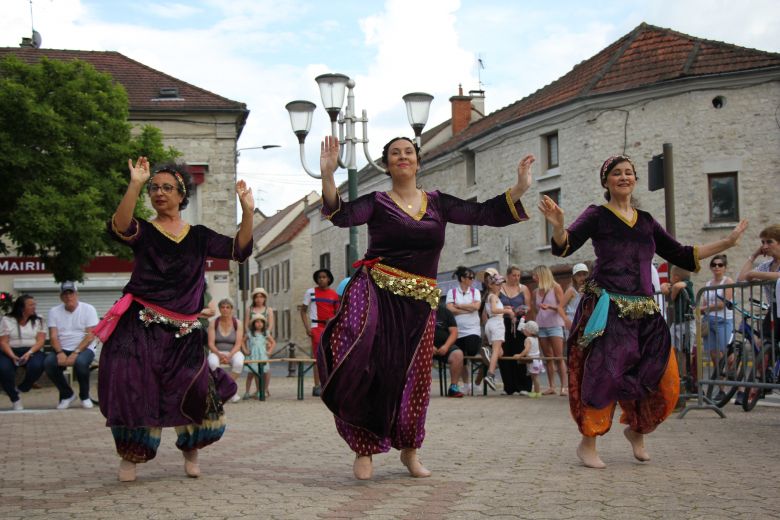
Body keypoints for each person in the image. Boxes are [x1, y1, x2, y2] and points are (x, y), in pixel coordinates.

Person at [316, 135, 533, 480]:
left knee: (415, 378)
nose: (402, 157)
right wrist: (328, 175)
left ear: (418, 161)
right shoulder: (375, 202)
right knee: (375, 367)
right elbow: (341, 215)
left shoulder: (439, 204)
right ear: (386, 164)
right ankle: (365, 448)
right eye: (394, 153)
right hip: (380, 296)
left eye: (408, 152)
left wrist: (519, 187)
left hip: (421, 305)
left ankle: (410, 451)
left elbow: (484, 213)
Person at [538, 154, 747, 468]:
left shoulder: (647, 220)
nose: (624, 177)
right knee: (604, 374)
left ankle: (637, 431)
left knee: (660, 373)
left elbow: (681, 253)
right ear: (606, 181)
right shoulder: (598, 215)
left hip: (645, 311)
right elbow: (566, 245)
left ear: (635, 179)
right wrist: (557, 227)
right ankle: (588, 443)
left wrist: (727, 243)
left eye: (629, 173)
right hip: (607, 308)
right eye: (617, 174)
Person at [96, 158, 254, 482]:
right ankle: (131, 455)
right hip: (140, 326)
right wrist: (134, 184)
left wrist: (248, 211)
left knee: (192, 388)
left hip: (184, 331)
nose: (159, 193)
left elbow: (239, 249)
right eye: (154, 188)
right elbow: (119, 226)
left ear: (182, 195)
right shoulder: (144, 230)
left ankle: (190, 451)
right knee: (134, 387)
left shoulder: (198, 236)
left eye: (167, 187)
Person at [44, 282, 99, 410]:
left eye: (71, 293)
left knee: (80, 363)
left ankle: (84, 396)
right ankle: (67, 394)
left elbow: (91, 335)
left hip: (85, 348)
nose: (68, 296)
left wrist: (76, 352)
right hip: (63, 349)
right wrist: (59, 352)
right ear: (61, 297)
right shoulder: (54, 311)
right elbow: (53, 335)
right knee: (48, 363)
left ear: (77, 295)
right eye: (65, 294)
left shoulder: (88, 309)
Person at [0, 295, 46, 410]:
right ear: (21, 308)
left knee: (37, 365)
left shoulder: (39, 319)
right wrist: (12, 356)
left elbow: (41, 340)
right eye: (31, 305)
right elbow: (3, 342)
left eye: (34, 304)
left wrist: (29, 353)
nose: (34, 307)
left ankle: (24, 387)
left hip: (32, 350)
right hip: (11, 350)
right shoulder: (7, 320)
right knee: (4, 368)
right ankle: (15, 399)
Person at [737, 224, 780, 345]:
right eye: (763, 242)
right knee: (762, 344)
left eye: (769, 242)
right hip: (775, 310)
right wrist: (754, 254)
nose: (765, 246)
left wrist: (755, 274)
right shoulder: (767, 265)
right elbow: (741, 279)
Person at [301, 269, 339, 397]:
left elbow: (337, 313)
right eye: (319, 277)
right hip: (316, 326)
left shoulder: (334, 295)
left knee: (331, 355)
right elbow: (303, 310)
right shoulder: (310, 292)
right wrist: (307, 327)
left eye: (324, 277)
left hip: (330, 327)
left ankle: (330, 384)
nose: (321, 279)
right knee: (317, 357)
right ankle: (317, 385)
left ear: (329, 279)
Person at [531, 265, 568, 396]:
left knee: (558, 356)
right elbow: (535, 311)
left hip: (555, 325)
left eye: (536, 275)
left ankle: (563, 387)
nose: (534, 278)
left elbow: (562, 307)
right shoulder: (536, 292)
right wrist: (534, 325)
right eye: (533, 275)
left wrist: (550, 306)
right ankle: (552, 386)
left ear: (543, 275)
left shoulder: (556, 287)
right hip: (541, 326)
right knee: (548, 357)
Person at [496, 264, 533, 396]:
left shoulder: (523, 288)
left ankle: (524, 385)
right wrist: (503, 307)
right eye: (514, 275)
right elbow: (493, 303)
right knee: (505, 352)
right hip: (503, 322)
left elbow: (529, 307)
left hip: (519, 323)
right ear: (507, 275)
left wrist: (524, 309)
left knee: (520, 352)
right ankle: (508, 386)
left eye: (518, 275)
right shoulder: (500, 288)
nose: (516, 278)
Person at [446, 266, 482, 394]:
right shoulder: (452, 292)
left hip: (472, 328)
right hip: (458, 329)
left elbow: (476, 306)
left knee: (471, 351)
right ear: (463, 278)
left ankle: (473, 381)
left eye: (473, 277)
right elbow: (450, 308)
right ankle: (466, 384)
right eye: (470, 277)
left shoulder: (475, 292)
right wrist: (468, 308)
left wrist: (460, 306)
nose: (472, 280)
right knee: (461, 357)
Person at [661, 266, 696, 379]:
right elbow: (664, 286)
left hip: (687, 323)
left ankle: (685, 374)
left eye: (671, 276)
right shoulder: (675, 284)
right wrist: (663, 287)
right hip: (676, 323)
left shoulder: (687, 284)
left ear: (676, 278)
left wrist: (672, 295)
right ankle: (676, 373)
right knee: (673, 349)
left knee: (685, 351)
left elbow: (677, 286)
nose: (669, 279)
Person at [482, 272, 515, 391]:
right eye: (497, 284)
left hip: (491, 324)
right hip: (496, 324)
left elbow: (490, 311)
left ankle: (489, 352)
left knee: (500, 351)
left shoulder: (489, 297)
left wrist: (503, 309)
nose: (499, 286)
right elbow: (495, 310)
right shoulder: (493, 296)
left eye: (500, 284)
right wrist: (508, 312)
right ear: (490, 285)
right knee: (497, 350)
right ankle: (490, 375)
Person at [207, 298, 245, 394]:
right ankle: (226, 391)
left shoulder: (238, 323)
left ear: (231, 309)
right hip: (217, 352)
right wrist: (219, 355)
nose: (225, 309)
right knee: (212, 363)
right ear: (219, 309)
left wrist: (230, 355)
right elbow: (211, 343)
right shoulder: (213, 323)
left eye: (227, 307)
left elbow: (238, 344)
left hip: (233, 352)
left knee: (239, 363)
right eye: (223, 307)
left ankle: (224, 388)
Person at [432, 299, 463, 397]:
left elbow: (454, 332)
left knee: (458, 354)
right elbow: (417, 333)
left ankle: (453, 387)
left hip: (444, 345)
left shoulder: (446, 312)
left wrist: (446, 346)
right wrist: (428, 346)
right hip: (426, 345)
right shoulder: (421, 312)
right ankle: (421, 389)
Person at [242, 314, 275, 399]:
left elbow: (273, 342)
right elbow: (242, 341)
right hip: (252, 356)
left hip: (261, 356)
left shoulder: (265, 333)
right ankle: (247, 392)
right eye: (257, 322)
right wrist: (245, 351)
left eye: (261, 322)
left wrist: (269, 351)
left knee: (259, 375)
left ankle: (259, 391)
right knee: (250, 375)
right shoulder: (250, 333)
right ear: (253, 324)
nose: (259, 324)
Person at [514, 321, 544, 398]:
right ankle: (536, 391)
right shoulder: (536, 338)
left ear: (527, 332)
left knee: (534, 378)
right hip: (537, 359)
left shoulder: (528, 339)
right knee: (535, 377)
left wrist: (520, 355)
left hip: (532, 360)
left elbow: (526, 350)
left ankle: (537, 392)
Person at [560, 263, 589, 341]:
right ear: (574, 277)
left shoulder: (590, 289)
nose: (582, 277)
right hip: (573, 319)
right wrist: (566, 320)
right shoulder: (571, 290)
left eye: (584, 274)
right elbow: (560, 307)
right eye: (579, 275)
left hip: (585, 319)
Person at [197, 275, 216, 350]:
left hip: (204, 327)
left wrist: (196, 314)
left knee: (205, 350)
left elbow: (212, 312)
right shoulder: (188, 295)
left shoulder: (206, 295)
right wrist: (203, 311)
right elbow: (186, 312)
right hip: (190, 327)